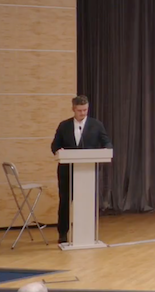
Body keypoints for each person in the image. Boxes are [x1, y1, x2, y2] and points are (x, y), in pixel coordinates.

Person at [50, 95, 112, 244]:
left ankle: (86, 232)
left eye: (85, 110)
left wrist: (107, 148)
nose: (83, 113)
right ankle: (63, 233)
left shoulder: (96, 125)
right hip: (67, 171)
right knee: (65, 202)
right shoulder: (64, 125)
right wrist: (59, 151)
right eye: (79, 110)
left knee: (87, 202)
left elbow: (106, 141)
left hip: (87, 171)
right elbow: (54, 145)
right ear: (73, 109)